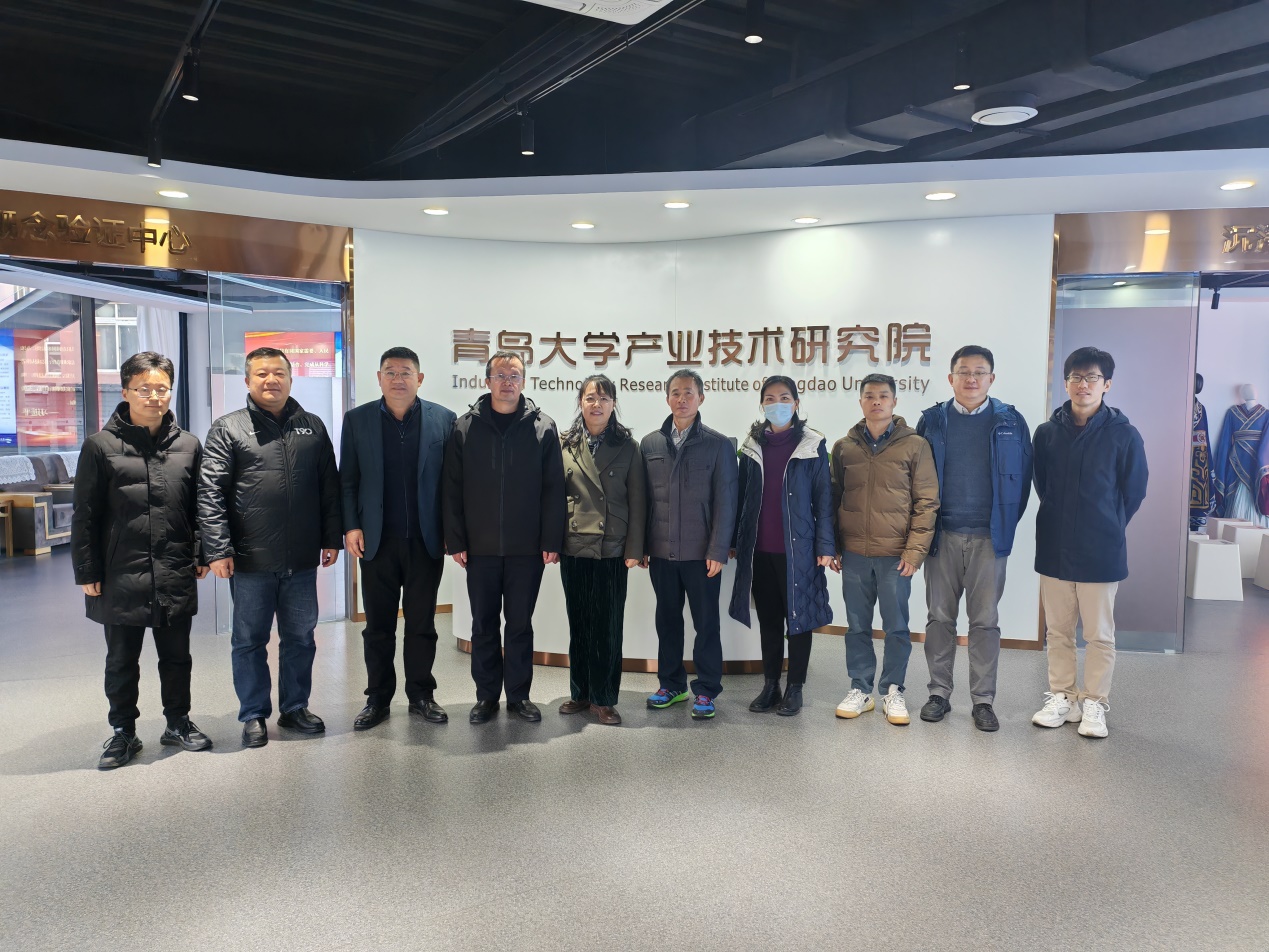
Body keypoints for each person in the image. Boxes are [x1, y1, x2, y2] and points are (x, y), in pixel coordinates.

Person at [71, 352, 212, 769]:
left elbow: (199, 507)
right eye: (144, 388)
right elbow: (85, 515)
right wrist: (87, 570)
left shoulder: (188, 445)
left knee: (177, 656)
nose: (154, 396)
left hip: (174, 568)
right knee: (121, 661)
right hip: (120, 571)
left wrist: (201, 553)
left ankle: (178, 722)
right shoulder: (100, 446)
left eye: (162, 388)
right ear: (126, 391)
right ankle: (123, 732)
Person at [198, 346, 342, 748]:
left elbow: (329, 488)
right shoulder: (228, 428)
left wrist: (331, 538)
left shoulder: (312, 426)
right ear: (247, 381)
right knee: (249, 640)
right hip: (250, 560)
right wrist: (217, 549)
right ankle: (254, 714)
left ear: (291, 379)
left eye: (278, 373)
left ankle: (295, 708)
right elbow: (210, 493)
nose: (271, 380)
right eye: (261, 373)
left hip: (301, 558)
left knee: (301, 638)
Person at [443, 350, 566, 725]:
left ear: (523, 382)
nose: (507, 382)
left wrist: (551, 540)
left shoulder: (543, 427)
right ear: (487, 381)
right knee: (483, 626)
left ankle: (518, 696)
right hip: (479, 549)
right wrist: (456, 541)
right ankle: (485, 697)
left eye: (514, 375)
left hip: (526, 550)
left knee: (519, 626)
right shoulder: (465, 427)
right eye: (500, 375)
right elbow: (451, 489)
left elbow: (554, 489)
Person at [1031, 346, 1147, 739]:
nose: (1083, 384)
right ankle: (1063, 696)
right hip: (1055, 544)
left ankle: (1094, 702)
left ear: (1107, 384)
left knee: (1099, 634)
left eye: (1092, 377)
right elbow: (1042, 484)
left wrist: (1109, 523)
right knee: (1058, 631)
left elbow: (1134, 491)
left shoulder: (1124, 434)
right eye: (1076, 377)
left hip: (1101, 548)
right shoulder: (1047, 433)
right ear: (1065, 383)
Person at [915, 345, 1033, 732]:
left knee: (985, 622)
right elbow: (915, 478)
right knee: (939, 619)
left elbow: (1024, 481)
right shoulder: (932, 420)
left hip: (988, 538)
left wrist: (1002, 524)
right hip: (942, 536)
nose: (971, 379)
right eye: (963, 372)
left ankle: (983, 701)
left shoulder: (1011, 421)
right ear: (950, 378)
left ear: (991, 379)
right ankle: (938, 693)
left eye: (979, 372)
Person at [341, 346, 456, 731]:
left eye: (406, 372)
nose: (398, 379)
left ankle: (422, 694)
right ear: (379, 379)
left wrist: (451, 532)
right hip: (377, 542)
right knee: (378, 626)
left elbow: (452, 484)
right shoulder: (357, 420)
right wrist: (351, 526)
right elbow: (348, 480)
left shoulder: (444, 420)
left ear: (419, 379)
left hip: (426, 541)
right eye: (390, 372)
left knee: (422, 624)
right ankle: (377, 698)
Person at [830, 373, 939, 726]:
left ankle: (893, 690)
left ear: (894, 401)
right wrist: (833, 545)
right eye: (869, 395)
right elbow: (833, 498)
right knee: (856, 627)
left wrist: (914, 552)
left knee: (896, 627)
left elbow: (927, 502)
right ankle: (860, 689)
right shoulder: (844, 447)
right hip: (854, 554)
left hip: (896, 555)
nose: (876, 401)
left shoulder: (915, 445)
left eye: (883, 395)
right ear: (861, 401)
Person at [729, 376, 834, 717]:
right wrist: (734, 541)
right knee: (770, 620)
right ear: (762, 405)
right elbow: (741, 498)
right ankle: (771, 685)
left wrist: (826, 546)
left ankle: (795, 687)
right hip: (759, 551)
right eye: (770, 398)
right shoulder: (751, 447)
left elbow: (824, 500)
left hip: (798, 551)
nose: (778, 404)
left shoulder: (812, 445)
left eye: (785, 397)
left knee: (799, 619)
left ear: (796, 403)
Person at [642, 369, 738, 720]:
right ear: (667, 397)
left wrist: (718, 550)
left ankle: (707, 690)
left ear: (701, 397)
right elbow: (644, 500)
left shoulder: (718, 444)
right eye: (676, 393)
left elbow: (727, 502)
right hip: (662, 552)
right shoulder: (650, 444)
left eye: (688, 393)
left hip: (702, 555)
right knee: (667, 621)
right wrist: (642, 545)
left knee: (706, 624)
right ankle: (671, 685)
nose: (681, 399)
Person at [557, 375, 645, 726]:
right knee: (578, 622)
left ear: (613, 404)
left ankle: (604, 698)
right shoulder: (565, 443)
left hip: (612, 547)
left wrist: (635, 548)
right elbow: (553, 496)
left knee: (607, 626)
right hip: (574, 544)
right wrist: (551, 543)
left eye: (604, 398)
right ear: (580, 402)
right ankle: (580, 692)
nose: (597, 404)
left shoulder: (628, 446)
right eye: (591, 397)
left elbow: (638, 501)